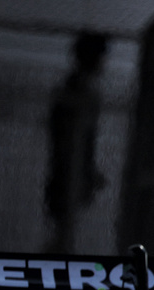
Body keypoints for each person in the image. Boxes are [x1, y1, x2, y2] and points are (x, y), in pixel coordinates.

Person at [46, 31, 107, 253]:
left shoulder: (79, 90)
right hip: (67, 174)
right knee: (63, 234)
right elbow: (69, 138)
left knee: (64, 233)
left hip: (70, 173)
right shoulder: (77, 91)